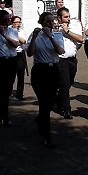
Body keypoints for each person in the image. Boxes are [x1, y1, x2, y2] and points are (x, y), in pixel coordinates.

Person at [27, 12, 64, 148]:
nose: (51, 24)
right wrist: (34, 37)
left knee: (50, 100)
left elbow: (60, 51)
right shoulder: (35, 35)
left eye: (52, 21)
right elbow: (30, 53)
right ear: (42, 22)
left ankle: (41, 120)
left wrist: (51, 37)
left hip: (53, 70)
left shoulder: (57, 35)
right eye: (47, 21)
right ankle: (46, 134)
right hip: (39, 70)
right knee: (43, 101)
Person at [55, 7, 84, 119]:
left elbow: (81, 39)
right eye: (65, 17)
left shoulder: (73, 26)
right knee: (65, 83)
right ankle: (66, 109)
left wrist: (67, 31)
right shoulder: (55, 28)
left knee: (69, 82)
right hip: (61, 60)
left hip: (72, 59)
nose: (68, 19)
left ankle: (58, 98)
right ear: (59, 18)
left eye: (69, 16)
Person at [10, 16, 27, 100]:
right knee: (10, 75)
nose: (17, 24)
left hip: (20, 54)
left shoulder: (21, 31)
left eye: (19, 22)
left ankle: (19, 93)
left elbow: (23, 41)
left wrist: (15, 34)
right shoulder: (9, 30)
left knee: (21, 75)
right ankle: (8, 91)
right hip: (11, 54)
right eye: (15, 22)